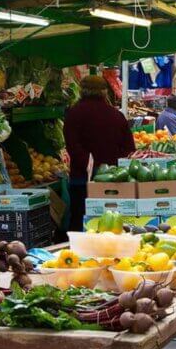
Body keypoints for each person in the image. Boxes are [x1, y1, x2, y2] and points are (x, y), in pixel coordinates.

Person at [64, 75, 135, 232]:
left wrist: (91, 166)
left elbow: (72, 147)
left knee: (80, 219)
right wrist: (111, 167)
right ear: (104, 92)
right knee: (112, 221)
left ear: (82, 91)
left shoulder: (73, 114)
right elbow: (129, 149)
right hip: (113, 181)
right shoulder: (116, 115)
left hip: (82, 179)